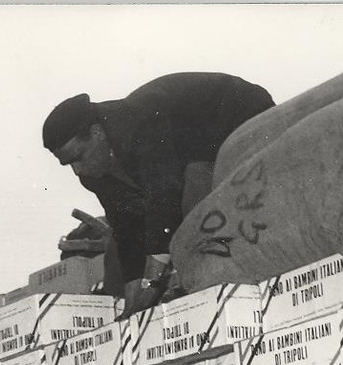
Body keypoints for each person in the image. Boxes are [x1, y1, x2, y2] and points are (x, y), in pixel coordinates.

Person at [42, 73, 274, 316]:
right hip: (188, 147)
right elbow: (126, 229)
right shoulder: (93, 172)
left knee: (193, 193)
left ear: (97, 133)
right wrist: (133, 303)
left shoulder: (137, 126)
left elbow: (164, 199)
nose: (77, 170)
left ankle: (204, 281)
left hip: (237, 111)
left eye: (79, 157)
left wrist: (151, 284)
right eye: (68, 164)